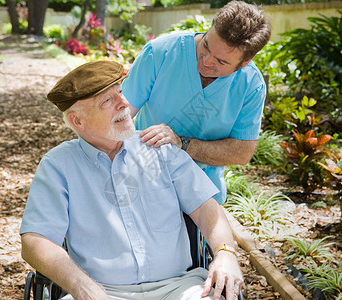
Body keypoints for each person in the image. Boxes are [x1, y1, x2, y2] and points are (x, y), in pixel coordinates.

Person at [20, 61, 243, 300]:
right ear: (77, 121)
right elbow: (35, 240)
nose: (124, 104)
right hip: (100, 291)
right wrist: (81, 287)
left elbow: (208, 210)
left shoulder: (159, 148)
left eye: (120, 92)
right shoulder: (58, 165)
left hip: (180, 288)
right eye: (107, 101)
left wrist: (225, 253)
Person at [121, 0, 272, 204]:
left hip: (204, 195)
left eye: (221, 61)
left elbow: (241, 152)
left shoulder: (251, 85)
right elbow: (118, 115)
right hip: (140, 180)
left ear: (245, 63)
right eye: (206, 46)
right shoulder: (159, 52)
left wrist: (181, 143)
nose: (207, 61)